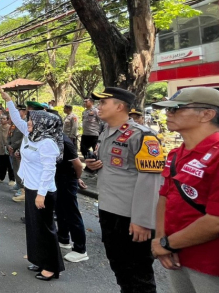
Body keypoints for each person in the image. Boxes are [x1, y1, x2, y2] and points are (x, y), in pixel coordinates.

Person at [85, 87, 165, 293]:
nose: (98, 107)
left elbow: (151, 181)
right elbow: (111, 166)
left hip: (132, 217)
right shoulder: (106, 131)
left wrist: (143, 220)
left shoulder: (143, 136)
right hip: (109, 210)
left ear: (120, 106)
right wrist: (92, 166)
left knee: (139, 274)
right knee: (120, 268)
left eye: (103, 103)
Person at [150, 87, 219, 292]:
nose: (168, 114)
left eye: (176, 108)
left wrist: (167, 243)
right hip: (175, 255)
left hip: (210, 263)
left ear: (207, 114)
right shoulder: (175, 153)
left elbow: (215, 221)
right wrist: (161, 241)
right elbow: (165, 197)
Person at [0, 87, 65, 281]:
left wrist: (41, 194)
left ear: (41, 124)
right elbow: (18, 120)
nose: (27, 122)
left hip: (42, 191)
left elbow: (48, 171)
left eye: (31, 120)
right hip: (32, 188)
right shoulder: (31, 136)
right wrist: (9, 100)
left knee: (45, 229)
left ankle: (52, 267)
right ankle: (39, 259)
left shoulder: (47, 143)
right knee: (34, 228)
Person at [55, 133, 89, 263]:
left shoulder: (64, 141)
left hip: (67, 180)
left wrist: (76, 178)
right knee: (60, 210)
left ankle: (80, 249)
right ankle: (63, 238)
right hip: (58, 178)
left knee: (71, 212)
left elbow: (78, 165)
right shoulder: (51, 138)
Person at [10, 104, 27, 202]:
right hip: (13, 148)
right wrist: (9, 144)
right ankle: (19, 185)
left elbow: (22, 139)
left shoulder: (25, 123)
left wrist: (14, 147)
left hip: (19, 149)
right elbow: (10, 134)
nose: (18, 112)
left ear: (24, 111)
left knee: (21, 169)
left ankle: (22, 189)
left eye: (19, 111)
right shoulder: (15, 123)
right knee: (16, 168)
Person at [0, 114, 15, 186]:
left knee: (10, 165)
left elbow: (12, 139)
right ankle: (0, 177)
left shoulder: (10, 128)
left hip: (8, 149)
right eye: (1, 119)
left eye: (4, 119)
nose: (2, 120)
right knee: (1, 164)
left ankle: (12, 179)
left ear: (7, 120)